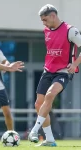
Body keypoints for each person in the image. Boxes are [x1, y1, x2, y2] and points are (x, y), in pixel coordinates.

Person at [28, 4, 81, 147]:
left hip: (63, 72)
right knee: (38, 104)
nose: (44, 23)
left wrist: (75, 64)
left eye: (45, 20)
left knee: (50, 95)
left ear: (53, 16)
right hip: (48, 71)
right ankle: (50, 139)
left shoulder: (71, 30)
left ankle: (34, 130)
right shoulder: (47, 30)